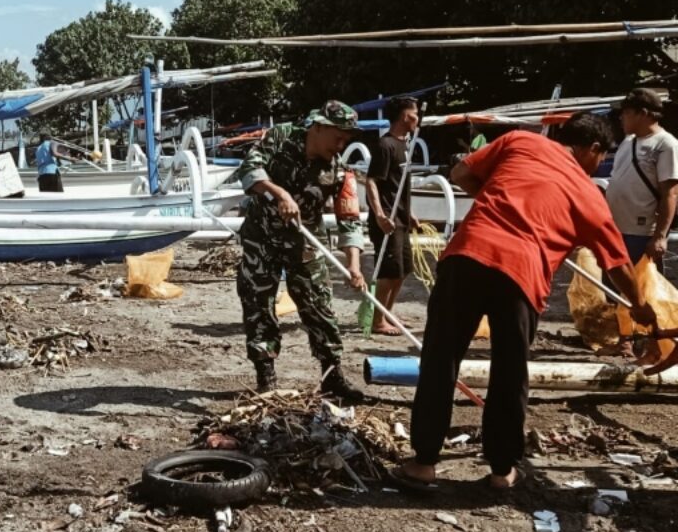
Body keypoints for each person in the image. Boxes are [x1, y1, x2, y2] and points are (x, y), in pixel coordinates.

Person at [391, 113, 655, 492]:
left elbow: (461, 174)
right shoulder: (589, 197)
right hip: (522, 276)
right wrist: (640, 305)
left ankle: (423, 464)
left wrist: (501, 205)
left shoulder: (521, 141)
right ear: (594, 149)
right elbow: (617, 264)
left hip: (467, 256)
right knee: (509, 373)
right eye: (602, 157)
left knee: (440, 360)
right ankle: (501, 472)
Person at [235, 100, 367, 401]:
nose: (341, 144)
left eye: (347, 139)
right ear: (318, 127)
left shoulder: (339, 171)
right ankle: (266, 379)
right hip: (262, 239)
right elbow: (249, 168)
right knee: (258, 305)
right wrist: (279, 193)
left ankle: (332, 377)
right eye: (338, 136)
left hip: (306, 242)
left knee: (320, 307)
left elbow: (349, 220)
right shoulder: (281, 137)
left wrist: (354, 267)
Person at [605, 89, 678, 268]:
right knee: (613, 290)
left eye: (627, 113)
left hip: (640, 233)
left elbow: (670, 194)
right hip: (615, 229)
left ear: (643, 114)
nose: (621, 117)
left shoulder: (666, 144)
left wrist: (660, 237)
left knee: (642, 290)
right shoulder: (628, 141)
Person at [365, 96, 420, 334]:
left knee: (402, 270)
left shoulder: (404, 144)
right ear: (405, 117)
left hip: (401, 218)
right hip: (387, 219)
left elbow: (399, 185)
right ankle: (378, 321)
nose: (418, 119)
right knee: (388, 270)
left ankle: (387, 313)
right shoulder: (384, 145)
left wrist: (411, 213)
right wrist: (378, 214)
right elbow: (371, 182)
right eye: (415, 114)